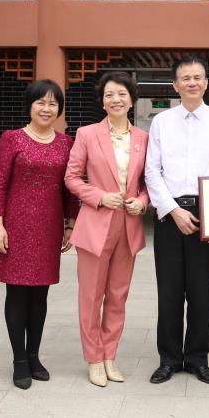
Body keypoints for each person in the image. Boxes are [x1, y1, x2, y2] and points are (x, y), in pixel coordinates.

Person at [145, 55, 209, 385]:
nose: (192, 82)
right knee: (169, 292)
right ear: (175, 85)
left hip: (207, 213)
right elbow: (152, 171)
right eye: (185, 78)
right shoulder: (161, 122)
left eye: (198, 77)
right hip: (170, 215)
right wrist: (173, 210)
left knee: (201, 292)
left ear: (206, 83)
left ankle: (198, 359)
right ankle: (169, 359)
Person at [0, 79, 79, 390]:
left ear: (59, 109)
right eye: (41, 102)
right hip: (15, 225)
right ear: (30, 105)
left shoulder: (65, 143)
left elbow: (70, 188)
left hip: (49, 226)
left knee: (40, 294)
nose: (46, 108)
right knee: (16, 293)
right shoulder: (12, 139)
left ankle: (34, 355)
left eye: (53, 103)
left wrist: (70, 223)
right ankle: (19, 361)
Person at [65, 72, 150, 387]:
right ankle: (94, 358)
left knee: (117, 296)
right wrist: (99, 197)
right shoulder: (87, 134)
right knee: (91, 296)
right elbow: (72, 177)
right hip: (95, 225)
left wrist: (142, 201)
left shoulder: (143, 138)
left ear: (131, 99)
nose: (116, 100)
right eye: (109, 95)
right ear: (102, 101)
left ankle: (110, 355)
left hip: (128, 226)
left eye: (122, 94)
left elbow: (150, 181)